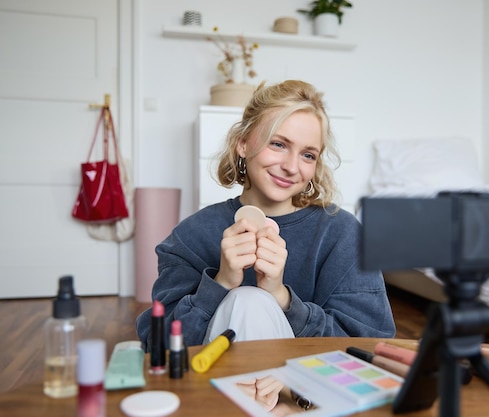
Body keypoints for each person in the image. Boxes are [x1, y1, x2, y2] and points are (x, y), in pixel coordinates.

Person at [136, 80, 396, 349]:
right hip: (216, 382)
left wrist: (280, 297)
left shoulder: (344, 233)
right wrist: (221, 283)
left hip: (304, 385)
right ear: (243, 144)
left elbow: (371, 343)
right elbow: (157, 345)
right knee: (246, 299)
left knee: (253, 299)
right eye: (278, 144)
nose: (291, 167)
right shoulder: (191, 235)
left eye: (308, 155)